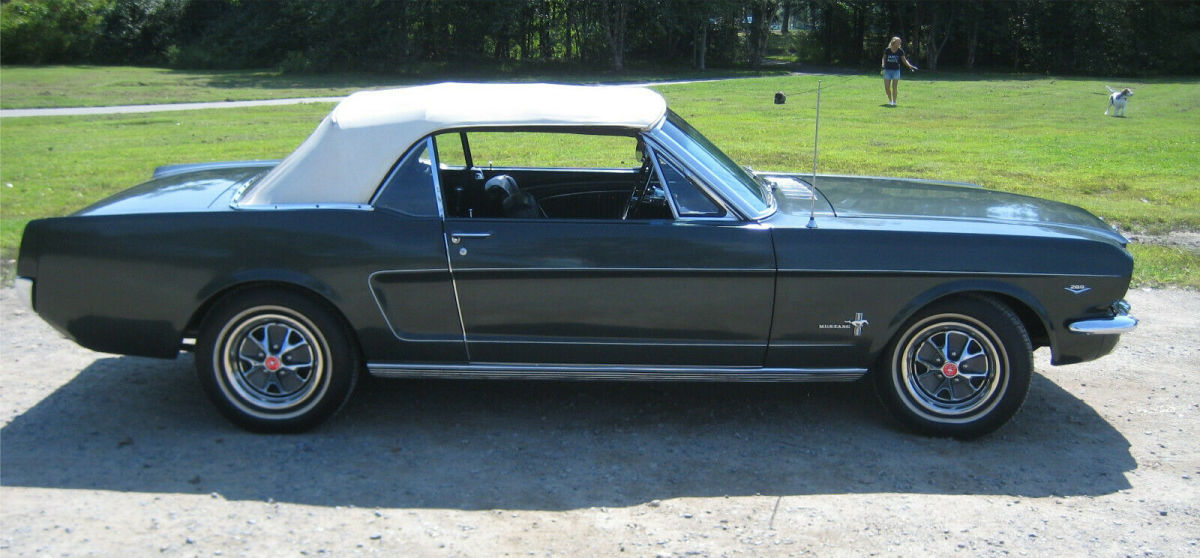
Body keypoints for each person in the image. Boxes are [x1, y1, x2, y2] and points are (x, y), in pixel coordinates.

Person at [881, 37, 917, 106]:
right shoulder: (887, 50)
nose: (900, 43)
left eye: (900, 42)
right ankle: (890, 100)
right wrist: (883, 65)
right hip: (887, 70)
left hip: (896, 71)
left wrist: (910, 66)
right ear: (894, 42)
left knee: (894, 87)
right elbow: (884, 58)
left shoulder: (900, 51)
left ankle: (894, 102)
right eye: (898, 42)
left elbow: (904, 60)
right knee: (887, 87)